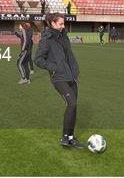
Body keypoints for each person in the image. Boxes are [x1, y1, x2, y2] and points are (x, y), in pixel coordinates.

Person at [35, 13, 84, 148]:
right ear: (52, 24)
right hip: (58, 78)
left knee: (74, 107)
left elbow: (69, 56)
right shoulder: (47, 39)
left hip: (71, 76)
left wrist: (75, 71)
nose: (63, 26)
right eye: (60, 24)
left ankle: (71, 138)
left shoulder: (64, 36)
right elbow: (38, 59)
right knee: (72, 104)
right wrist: (54, 68)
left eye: (63, 23)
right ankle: (64, 138)